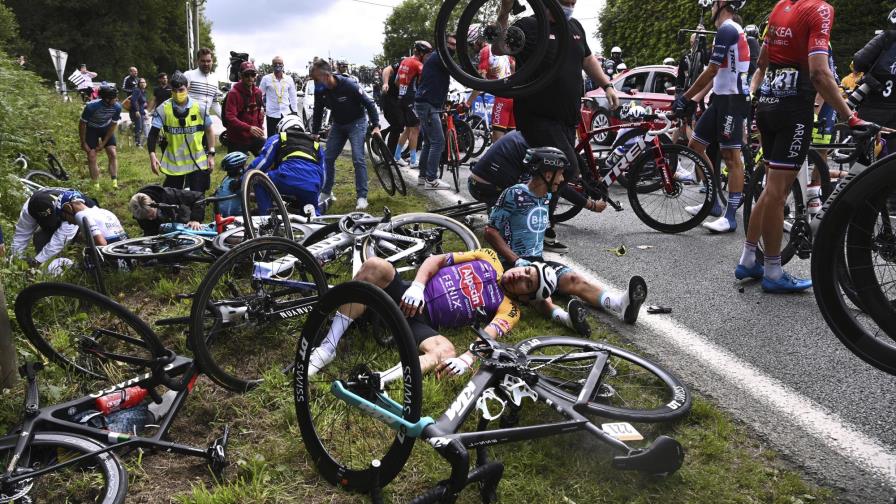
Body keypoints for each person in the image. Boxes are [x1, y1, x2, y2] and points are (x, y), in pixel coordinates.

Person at [740, 0, 874, 293]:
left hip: (767, 104)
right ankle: (773, 272)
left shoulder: (779, 8)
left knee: (771, 188)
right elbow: (818, 73)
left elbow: (763, 61)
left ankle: (750, 257)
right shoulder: (820, 9)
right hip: (793, 110)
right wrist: (850, 118)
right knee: (778, 193)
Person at [494, 0, 619, 253]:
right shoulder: (529, 25)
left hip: (566, 118)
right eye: (565, 0)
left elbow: (587, 59)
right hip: (537, 115)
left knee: (550, 173)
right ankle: (531, 225)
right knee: (566, 167)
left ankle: (537, 226)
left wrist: (607, 85)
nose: (571, 4)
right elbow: (499, 48)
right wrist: (505, 12)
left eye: (574, 1)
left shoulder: (574, 27)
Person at [307, 248, 540, 380]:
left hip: (422, 321)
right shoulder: (488, 256)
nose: (521, 276)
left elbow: (487, 336)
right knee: (376, 265)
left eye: (527, 284)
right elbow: (436, 260)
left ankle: (377, 381)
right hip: (408, 292)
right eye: (526, 270)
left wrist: (467, 358)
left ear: (526, 298)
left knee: (446, 350)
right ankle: (327, 348)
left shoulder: (510, 308)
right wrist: (418, 285)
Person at [484, 147, 646, 330]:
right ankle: (566, 318)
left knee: (573, 279)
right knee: (540, 294)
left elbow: (566, 194)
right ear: (547, 173)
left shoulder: (546, 195)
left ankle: (620, 305)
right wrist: (517, 260)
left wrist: (589, 204)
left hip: (537, 263)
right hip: (512, 265)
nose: (562, 179)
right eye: (560, 174)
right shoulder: (514, 194)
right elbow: (490, 231)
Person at [674, 0, 751, 234]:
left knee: (731, 157)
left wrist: (686, 97)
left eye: (713, 3)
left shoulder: (728, 29)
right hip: (720, 99)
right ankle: (713, 202)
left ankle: (730, 217)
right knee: (695, 146)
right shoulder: (724, 31)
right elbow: (717, 75)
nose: (710, 7)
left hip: (733, 100)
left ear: (722, 4)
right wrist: (696, 98)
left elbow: (711, 70)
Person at [310, 59, 380, 211]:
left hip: (357, 122)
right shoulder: (320, 90)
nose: (315, 83)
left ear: (327, 75)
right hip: (339, 124)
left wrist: (376, 126)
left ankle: (362, 197)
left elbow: (369, 104)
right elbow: (317, 111)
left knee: (358, 158)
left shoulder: (348, 85)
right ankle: (326, 192)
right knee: (327, 157)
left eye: (317, 79)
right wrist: (315, 132)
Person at [147, 70, 216, 193]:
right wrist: (152, 154)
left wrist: (211, 154)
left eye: (181, 90)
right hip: (174, 164)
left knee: (198, 199)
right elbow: (153, 134)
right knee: (171, 200)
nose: (178, 93)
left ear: (188, 88)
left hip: (197, 162)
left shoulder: (200, 107)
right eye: (174, 91)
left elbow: (210, 130)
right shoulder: (163, 109)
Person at [247, 115, 325, 214]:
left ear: (282, 127)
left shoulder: (279, 137)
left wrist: (245, 178)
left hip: (286, 177)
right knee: (310, 215)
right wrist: (316, 189)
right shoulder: (316, 145)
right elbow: (323, 174)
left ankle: (266, 217)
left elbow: (262, 162)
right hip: (312, 184)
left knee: (259, 181)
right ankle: (315, 218)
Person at [10, 188, 96, 267]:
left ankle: (80, 266)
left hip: (83, 219)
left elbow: (60, 239)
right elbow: (21, 235)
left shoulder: (67, 206)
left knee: (83, 238)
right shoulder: (29, 210)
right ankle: (46, 266)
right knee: (39, 237)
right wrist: (16, 259)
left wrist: (37, 261)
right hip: (61, 218)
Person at [414, 34, 457, 190]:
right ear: (443, 44)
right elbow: (457, 72)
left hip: (427, 104)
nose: (453, 48)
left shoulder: (438, 57)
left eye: (455, 45)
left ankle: (422, 176)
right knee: (438, 141)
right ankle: (431, 179)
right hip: (427, 105)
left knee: (428, 142)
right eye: (451, 44)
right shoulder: (440, 57)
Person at [852, 13, 896, 152]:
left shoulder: (886, 37)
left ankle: (860, 172)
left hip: (873, 104)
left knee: (864, 155)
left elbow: (859, 62)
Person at [394, 41, 432, 168]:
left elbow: (396, 81)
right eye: (426, 54)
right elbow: (423, 84)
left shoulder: (404, 61)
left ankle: (397, 156)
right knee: (415, 129)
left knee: (408, 129)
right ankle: (414, 160)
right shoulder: (418, 65)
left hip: (401, 98)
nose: (427, 57)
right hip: (411, 98)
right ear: (421, 53)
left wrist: (403, 91)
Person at [79, 83, 121, 188]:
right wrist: (83, 142)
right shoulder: (91, 107)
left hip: (106, 128)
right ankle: (96, 185)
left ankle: (114, 182)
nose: (116, 100)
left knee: (112, 153)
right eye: (114, 98)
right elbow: (82, 124)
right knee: (92, 156)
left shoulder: (117, 107)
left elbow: (113, 125)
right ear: (107, 99)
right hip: (92, 129)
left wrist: (104, 143)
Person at [223, 61, 266, 155]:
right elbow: (230, 117)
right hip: (237, 139)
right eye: (246, 75)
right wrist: (249, 128)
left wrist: (259, 125)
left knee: (269, 159)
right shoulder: (233, 93)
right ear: (240, 75)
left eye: (253, 74)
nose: (250, 78)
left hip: (254, 136)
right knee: (235, 168)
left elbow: (258, 111)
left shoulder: (258, 92)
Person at [128, 185, 206, 236]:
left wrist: (195, 219)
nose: (150, 219)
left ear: (154, 203)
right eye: (146, 218)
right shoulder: (139, 210)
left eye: (151, 215)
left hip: (182, 219)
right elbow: (149, 230)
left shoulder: (168, 194)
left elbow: (198, 196)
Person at [57, 190, 127, 247]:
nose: (68, 222)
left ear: (68, 207)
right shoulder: (104, 211)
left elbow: (101, 243)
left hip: (115, 255)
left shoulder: (80, 215)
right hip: (127, 248)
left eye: (64, 217)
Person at [260, 56, 299, 138]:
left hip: (286, 113)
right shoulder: (266, 79)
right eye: (275, 64)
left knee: (286, 137)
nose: (278, 65)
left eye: (280, 63)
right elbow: (259, 94)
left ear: (283, 65)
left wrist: (295, 111)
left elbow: (293, 96)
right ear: (272, 65)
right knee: (272, 137)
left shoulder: (289, 79)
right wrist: (261, 108)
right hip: (272, 114)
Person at [184, 48, 223, 117]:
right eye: (203, 61)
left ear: (212, 61)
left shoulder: (214, 80)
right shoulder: (188, 75)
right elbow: (179, 98)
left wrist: (226, 120)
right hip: (189, 121)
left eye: (208, 61)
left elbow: (214, 103)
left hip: (205, 122)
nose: (206, 64)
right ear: (197, 61)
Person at [381, 59, 406, 157]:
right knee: (398, 124)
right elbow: (387, 70)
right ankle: (390, 155)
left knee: (409, 122)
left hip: (403, 98)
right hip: (390, 96)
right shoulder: (405, 62)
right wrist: (385, 83)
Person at [130, 78, 148, 147]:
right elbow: (133, 100)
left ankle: (140, 143)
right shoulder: (137, 90)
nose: (143, 83)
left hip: (142, 112)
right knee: (138, 128)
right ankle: (137, 143)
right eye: (141, 82)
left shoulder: (143, 91)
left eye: (144, 82)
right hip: (136, 112)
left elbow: (142, 103)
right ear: (139, 84)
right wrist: (136, 110)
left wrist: (144, 112)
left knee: (142, 128)